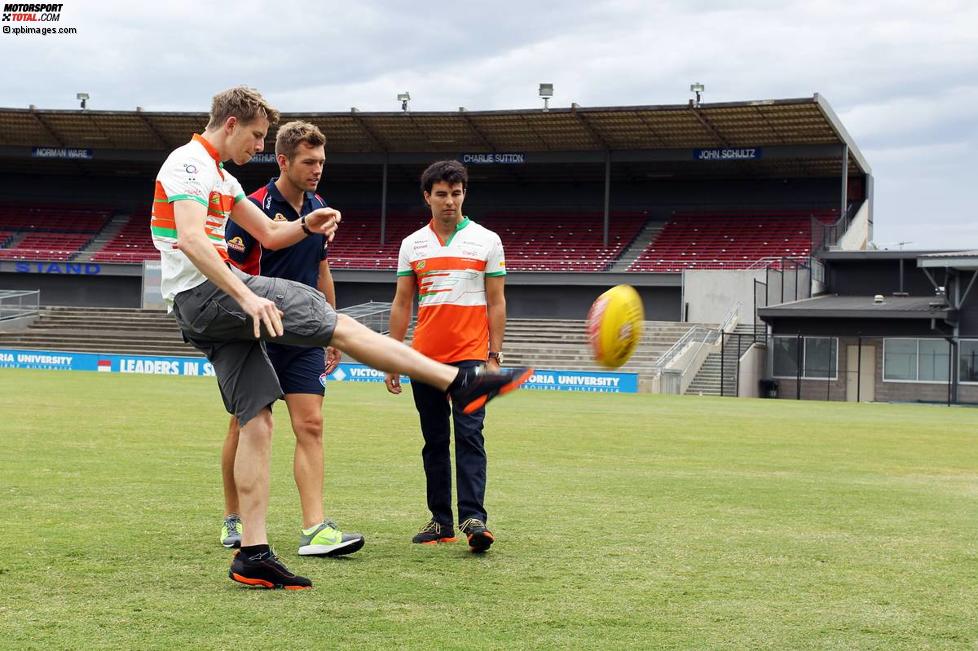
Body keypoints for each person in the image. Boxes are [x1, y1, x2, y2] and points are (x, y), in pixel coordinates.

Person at [151, 86, 532, 590]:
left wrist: (306, 224)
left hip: (202, 306)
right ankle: (455, 384)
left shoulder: (222, 176)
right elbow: (195, 239)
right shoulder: (190, 163)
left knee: (257, 421)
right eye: (258, 136)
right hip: (210, 294)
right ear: (230, 125)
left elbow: (268, 234)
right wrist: (246, 297)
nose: (259, 147)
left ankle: (253, 554)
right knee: (334, 320)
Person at [219, 120, 362, 559]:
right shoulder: (253, 207)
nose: (317, 169)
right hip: (257, 331)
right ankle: (234, 518)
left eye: (321, 161)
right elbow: (231, 270)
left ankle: (315, 528)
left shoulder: (321, 208)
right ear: (283, 160)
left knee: (311, 425)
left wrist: (331, 325)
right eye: (308, 161)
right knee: (246, 425)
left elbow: (321, 271)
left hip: (303, 335)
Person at [384, 160, 507, 553]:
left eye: (456, 193)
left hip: (471, 357)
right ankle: (441, 521)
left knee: (470, 436)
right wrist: (393, 355)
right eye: (441, 194)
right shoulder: (412, 244)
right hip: (425, 360)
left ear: (464, 195)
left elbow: (497, 301)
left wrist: (494, 356)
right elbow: (403, 303)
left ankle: (475, 519)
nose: (449, 201)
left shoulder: (488, 240)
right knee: (434, 441)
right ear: (427, 197)